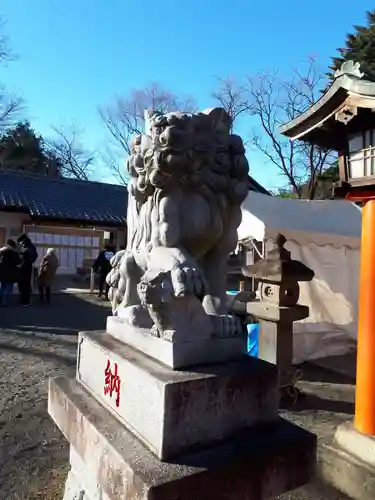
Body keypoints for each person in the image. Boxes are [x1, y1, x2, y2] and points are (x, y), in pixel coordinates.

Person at [17, 233, 38, 307]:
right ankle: (22, 299)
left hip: (26, 268)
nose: (20, 243)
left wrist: (26, 262)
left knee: (25, 285)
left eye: (20, 241)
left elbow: (34, 256)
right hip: (21, 268)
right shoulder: (24, 246)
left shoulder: (30, 247)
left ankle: (26, 301)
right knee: (21, 285)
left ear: (23, 240)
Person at [0, 239, 21, 306]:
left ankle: (1, 301)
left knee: (2, 287)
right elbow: (18, 262)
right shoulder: (14, 252)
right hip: (10, 273)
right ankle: (6, 302)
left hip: (2, 272)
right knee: (9, 288)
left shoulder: (2, 251)